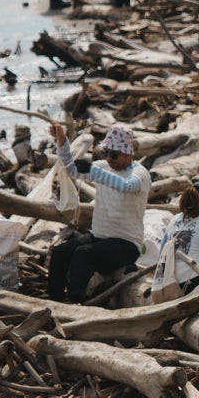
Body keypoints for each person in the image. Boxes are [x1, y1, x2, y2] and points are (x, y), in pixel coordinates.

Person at [47, 122, 151, 304]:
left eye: (115, 154)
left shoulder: (139, 174)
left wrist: (93, 171)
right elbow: (71, 170)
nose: (110, 158)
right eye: (107, 153)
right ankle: (54, 300)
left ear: (128, 152)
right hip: (100, 236)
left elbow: (125, 186)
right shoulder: (103, 167)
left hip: (126, 244)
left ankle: (75, 303)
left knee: (84, 253)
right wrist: (62, 141)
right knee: (60, 251)